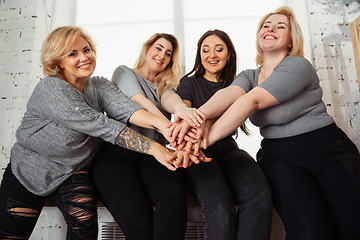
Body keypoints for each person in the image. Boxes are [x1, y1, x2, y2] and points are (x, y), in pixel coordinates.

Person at [182, 6, 360, 240]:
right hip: (281, 157)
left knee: (352, 226)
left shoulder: (298, 65)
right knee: (309, 232)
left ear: (290, 40)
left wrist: (201, 139)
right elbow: (227, 96)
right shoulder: (249, 75)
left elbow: (252, 100)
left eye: (280, 26)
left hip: (326, 150)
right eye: (266, 26)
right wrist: (195, 117)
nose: (271, 29)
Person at [0, 26, 193, 240]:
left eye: (87, 50)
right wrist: (155, 148)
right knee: (10, 235)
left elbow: (127, 109)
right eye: (73, 54)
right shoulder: (50, 89)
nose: (84, 57)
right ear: (57, 62)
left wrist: (167, 128)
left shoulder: (98, 84)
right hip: (29, 169)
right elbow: (102, 125)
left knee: (84, 224)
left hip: (73, 169)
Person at [91, 33, 208, 240]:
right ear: (147, 49)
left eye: (168, 53)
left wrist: (183, 117)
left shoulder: (166, 87)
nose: (162, 55)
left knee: (173, 194)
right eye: (158, 48)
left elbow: (171, 101)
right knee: (140, 226)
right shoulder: (124, 72)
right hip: (117, 152)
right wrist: (172, 129)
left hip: (152, 153)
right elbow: (140, 104)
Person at [175, 29, 272, 240]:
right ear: (199, 55)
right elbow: (184, 114)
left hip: (228, 148)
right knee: (218, 203)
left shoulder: (239, 84)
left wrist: (209, 122)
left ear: (229, 55)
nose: (212, 55)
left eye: (219, 49)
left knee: (260, 192)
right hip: (198, 150)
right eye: (206, 49)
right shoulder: (188, 84)